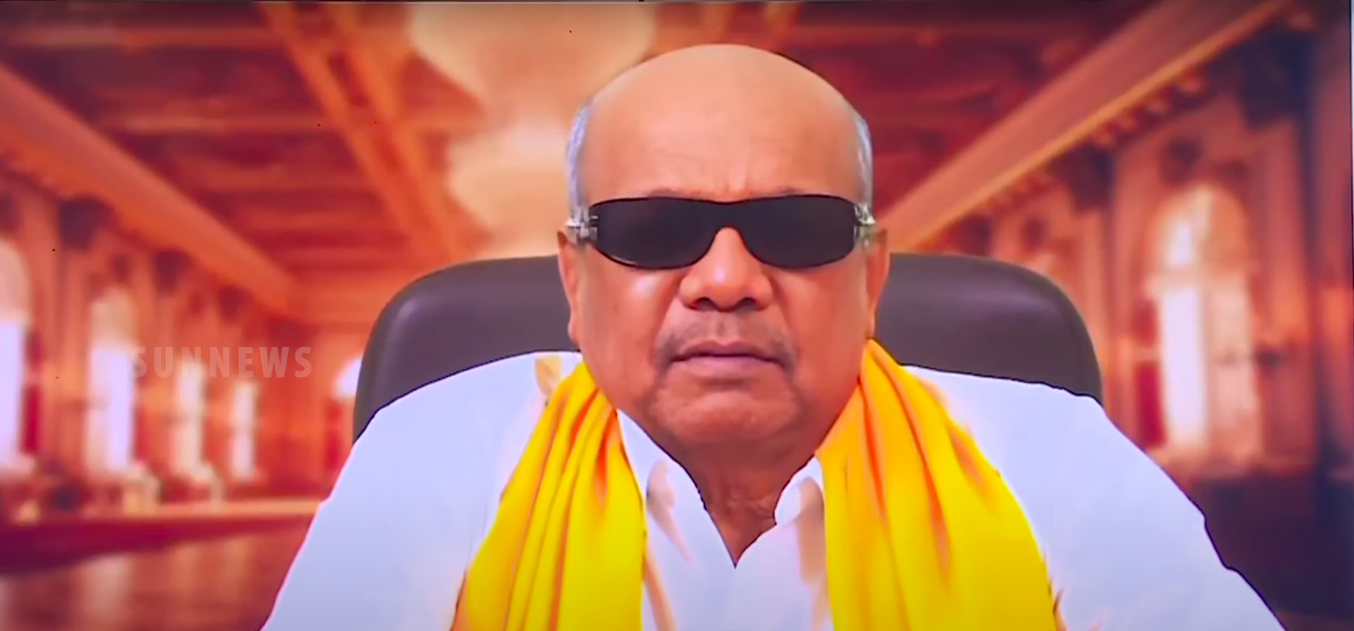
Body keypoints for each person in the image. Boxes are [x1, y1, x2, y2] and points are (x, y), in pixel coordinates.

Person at [263, 45, 1283, 631]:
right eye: (653, 230)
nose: (725, 280)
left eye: (794, 229)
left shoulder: (1049, 455)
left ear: (870, 277)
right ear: (575, 280)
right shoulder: (438, 448)